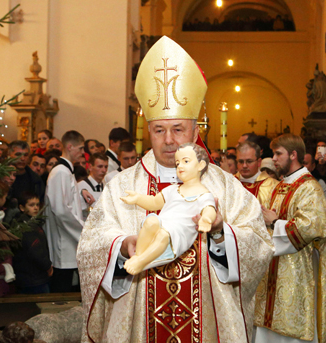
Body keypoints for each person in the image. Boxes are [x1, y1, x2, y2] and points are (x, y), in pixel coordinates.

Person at [77, 36, 273, 343]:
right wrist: (122, 245)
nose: (168, 140)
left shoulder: (225, 186)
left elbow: (258, 243)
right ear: (148, 133)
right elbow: (91, 245)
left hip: (207, 321)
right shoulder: (122, 186)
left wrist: (221, 232)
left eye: (178, 129)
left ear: (196, 132)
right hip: (139, 321)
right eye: (159, 130)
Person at [255, 133, 326, 343]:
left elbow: (311, 228)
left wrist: (274, 222)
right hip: (272, 271)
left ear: (293, 155)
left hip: (297, 273)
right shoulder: (279, 186)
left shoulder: (310, 188)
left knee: (291, 331)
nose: (274, 159)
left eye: (278, 154)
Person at [120, 143, 216, 275]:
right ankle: (139, 257)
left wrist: (206, 219)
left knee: (163, 234)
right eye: (177, 163)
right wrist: (137, 199)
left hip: (180, 231)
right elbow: (154, 202)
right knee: (151, 221)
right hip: (164, 223)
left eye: (186, 161)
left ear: (201, 165)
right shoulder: (173, 189)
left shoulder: (204, 194)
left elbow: (209, 209)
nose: (180, 166)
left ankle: (141, 261)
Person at [44, 130, 90, 293]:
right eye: (80, 148)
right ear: (70, 147)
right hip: (64, 239)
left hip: (69, 238)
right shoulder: (60, 172)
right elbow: (61, 210)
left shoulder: (66, 171)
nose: (82, 153)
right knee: (62, 285)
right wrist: (84, 231)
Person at [12, 191, 53, 294]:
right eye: (31, 205)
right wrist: (47, 265)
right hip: (33, 277)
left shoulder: (32, 223)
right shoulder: (27, 227)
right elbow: (35, 251)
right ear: (22, 208)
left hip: (31, 276)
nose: (36, 208)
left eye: (37, 204)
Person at [78, 153, 108, 220]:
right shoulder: (80, 186)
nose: (104, 170)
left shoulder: (107, 186)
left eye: (106, 167)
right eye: (100, 166)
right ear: (90, 167)